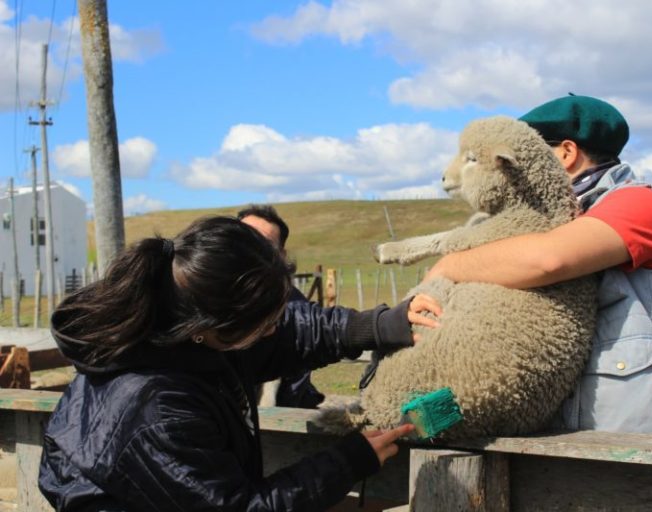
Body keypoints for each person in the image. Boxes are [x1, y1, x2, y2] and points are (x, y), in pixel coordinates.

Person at [38, 216, 442, 511]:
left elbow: (294, 332)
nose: (273, 331)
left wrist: (378, 324)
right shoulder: (157, 408)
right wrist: (347, 462)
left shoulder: (180, 333)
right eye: (265, 323)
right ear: (213, 328)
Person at [425, 95, 652, 435]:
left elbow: (548, 259)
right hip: (545, 432)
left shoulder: (639, 203)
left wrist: (449, 266)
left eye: (527, 151)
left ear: (566, 154)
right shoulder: (547, 217)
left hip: (624, 442)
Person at [237, 204, 326, 409]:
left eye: (265, 244)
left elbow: (295, 378)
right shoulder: (203, 292)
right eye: (245, 238)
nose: (251, 249)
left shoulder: (294, 307)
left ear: (280, 255)